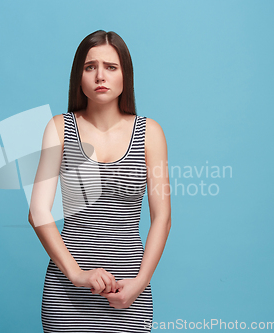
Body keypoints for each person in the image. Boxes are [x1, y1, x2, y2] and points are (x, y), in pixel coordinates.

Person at [28, 30, 171, 332]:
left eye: (111, 67)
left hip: (129, 292)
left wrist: (140, 284)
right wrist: (77, 275)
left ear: (125, 75)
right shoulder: (59, 128)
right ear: (79, 75)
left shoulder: (150, 133)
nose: (100, 76)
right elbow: (38, 212)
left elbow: (162, 218)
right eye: (90, 67)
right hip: (67, 293)